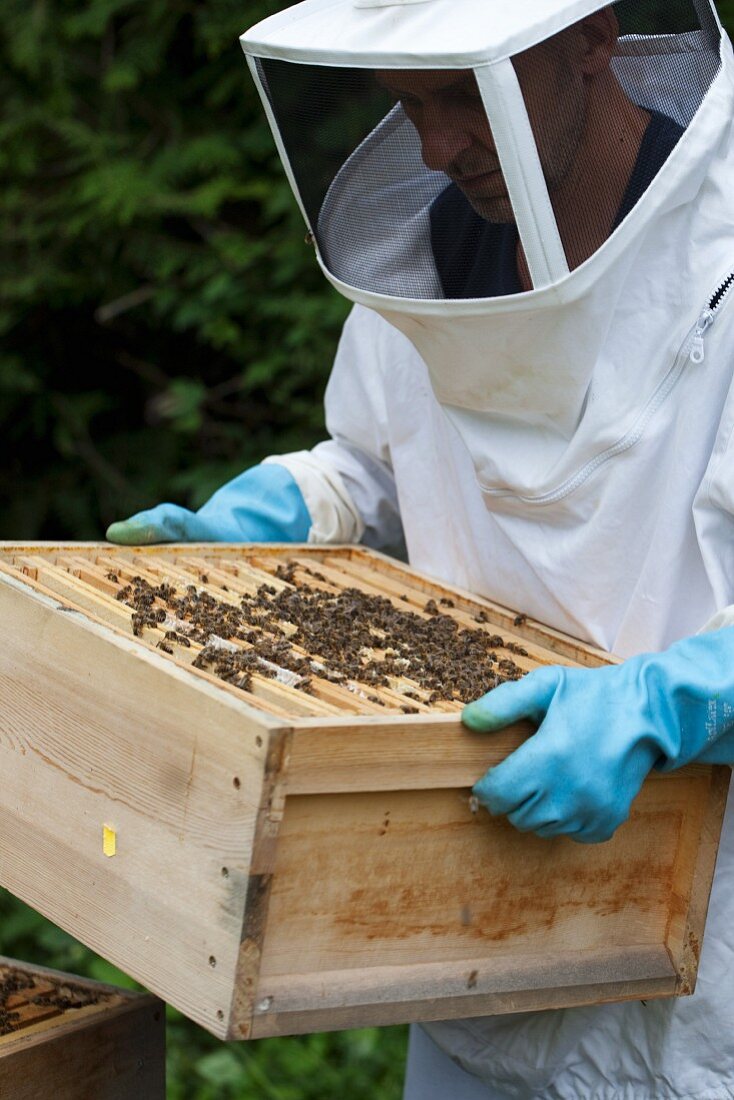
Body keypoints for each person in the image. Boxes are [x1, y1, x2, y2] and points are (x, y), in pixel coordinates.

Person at [109, 1, 734, 1096]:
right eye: (406, 108)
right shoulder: (419, 256)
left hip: (698, 986)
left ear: (591, 39)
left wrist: (675, 698)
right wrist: (280, 515)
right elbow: (377, 463)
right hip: (461, 924)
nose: (437, 148)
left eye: (463, 94)